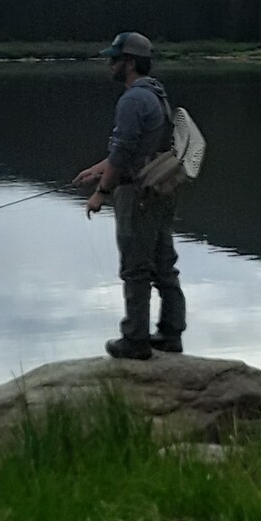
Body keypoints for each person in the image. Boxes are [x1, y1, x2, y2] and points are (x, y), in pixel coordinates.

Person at [73, 31, 188, 361]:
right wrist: (97, 169)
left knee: (136, 269)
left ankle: (135, 340)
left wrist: (101, 193)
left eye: (114, 59)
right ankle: (171, 333)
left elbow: (123, 152)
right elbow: (137, 148)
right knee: (164, 264)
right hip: (160, 190)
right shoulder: (155, 94)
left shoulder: (133, 100)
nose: (109, 64)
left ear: (130, 63)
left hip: (138, 194)